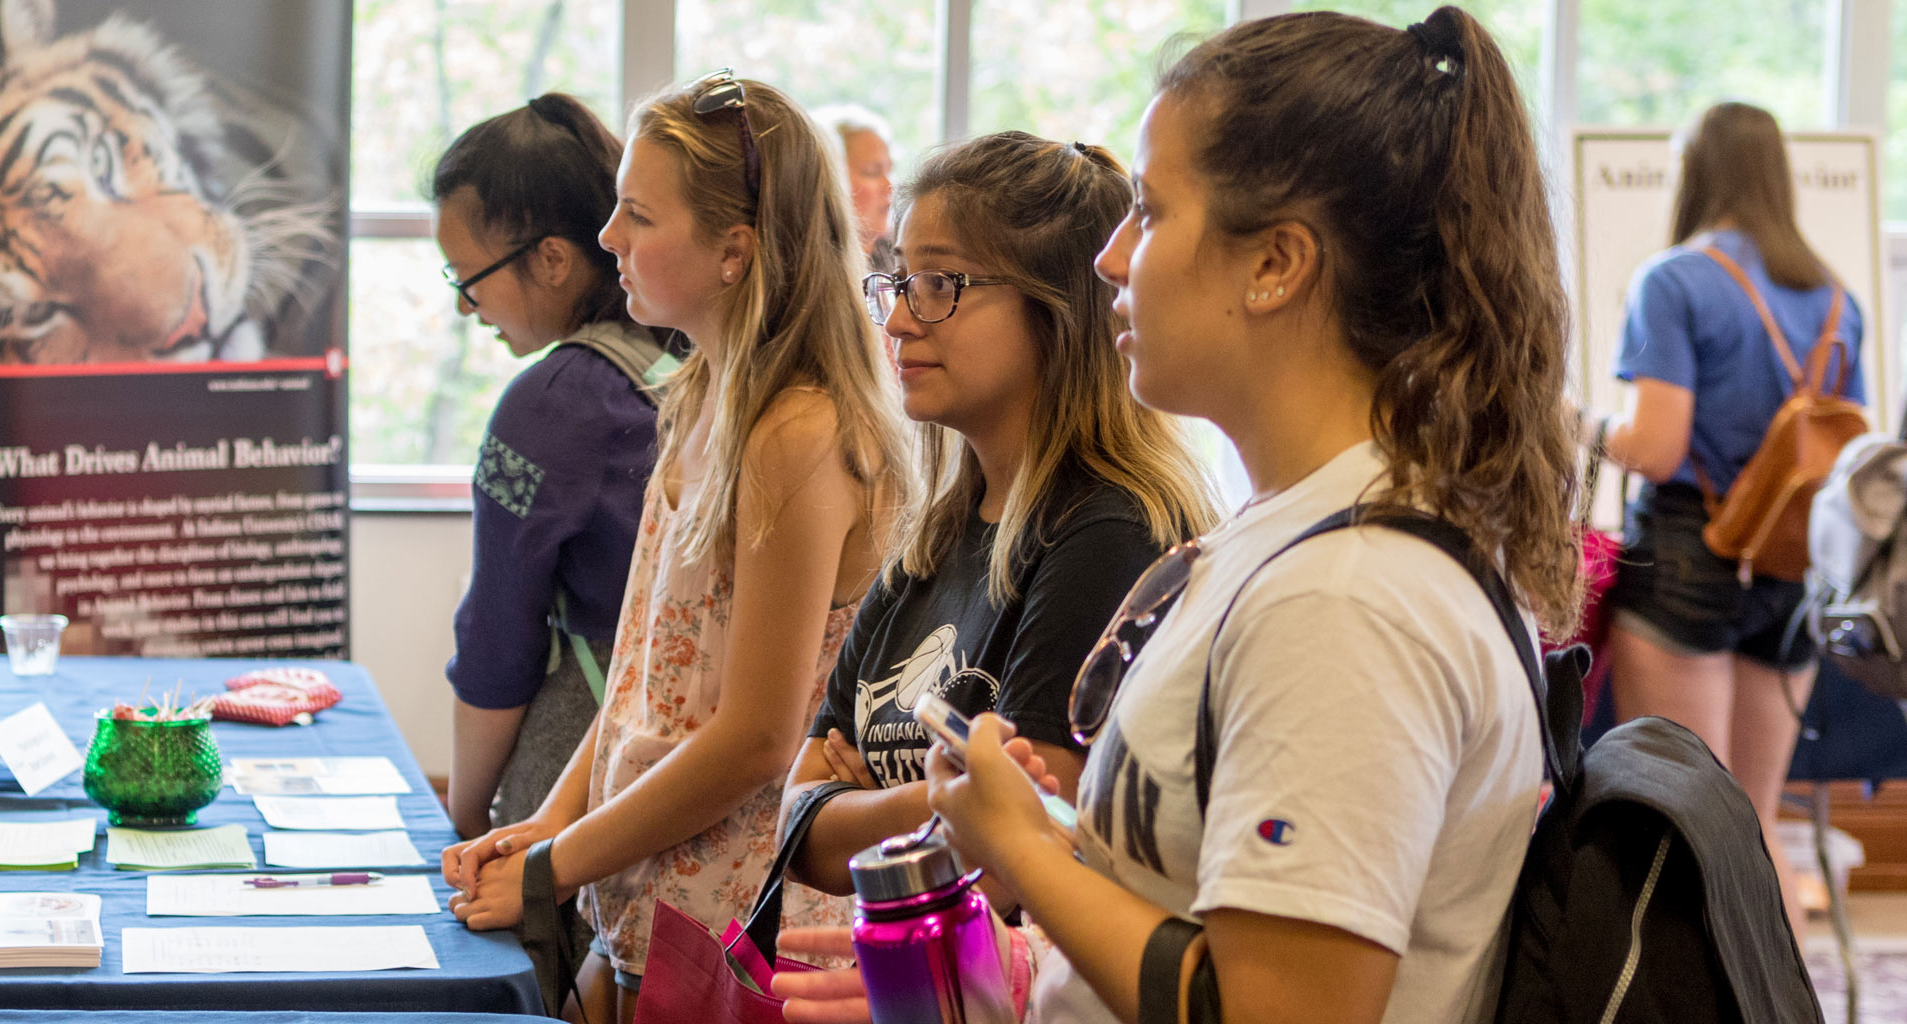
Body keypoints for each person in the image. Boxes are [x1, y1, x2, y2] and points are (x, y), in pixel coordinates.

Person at [919, 8, 1579, 1023]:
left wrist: (1020, 851)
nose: (1111, 257)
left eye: (1149, 209)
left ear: (1276, 263)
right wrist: (1040, 826)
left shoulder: (1351, 597)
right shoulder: (1295, 533)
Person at [441, 70, 915, 1024]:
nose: (608, 239)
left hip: (740, 932)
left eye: (636, 217)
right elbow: (641, 677)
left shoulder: (798, 432)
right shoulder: (701, 394)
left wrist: (554, 865)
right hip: (652, 898)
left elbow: (755, 739)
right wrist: (554, 816)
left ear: (734, 250)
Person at [782, 132, 1213, 899]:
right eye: (900, 282)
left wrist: (858, 802)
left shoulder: (1108, 533)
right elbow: (800, 832)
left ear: (1059, 307)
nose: (900, 321)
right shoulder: (935, 537)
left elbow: (1024, 843)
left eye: (941, 283)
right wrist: (940, 800)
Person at [1594, 99, 1866, 910]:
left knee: (1688, 834)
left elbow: (1656, 448)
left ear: (1694, 172)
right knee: (1753, 824)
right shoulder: (1834, 298)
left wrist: (1583, 426)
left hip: (1686, 558)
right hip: (1794, 569)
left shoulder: (1672, 280)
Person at [428, 93, 682, 841]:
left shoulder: (553, 404)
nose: (466, 309)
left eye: (466, 279)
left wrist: (469, 811)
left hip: (593, 758)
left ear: (551, 258)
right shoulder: (697, 350)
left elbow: (498, 639)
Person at [821, 105, 896, 264]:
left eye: (889, 171)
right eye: (872, 172)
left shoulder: (899, 257)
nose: (889, 186)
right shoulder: (815, 265)